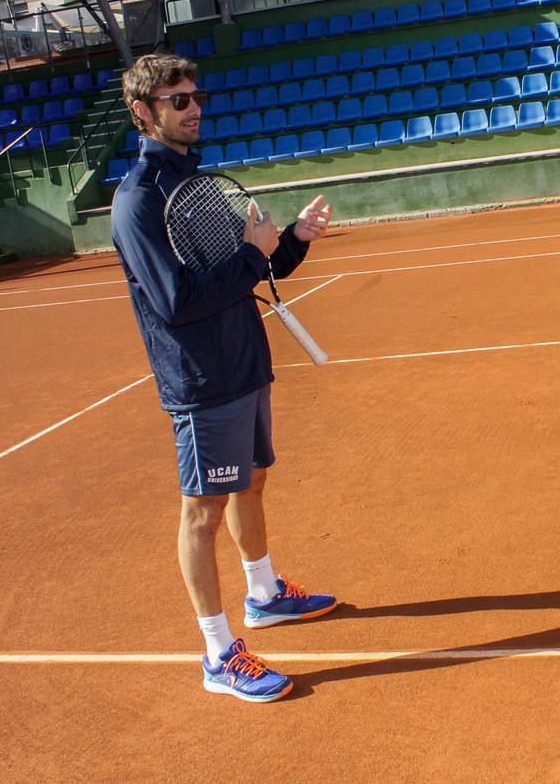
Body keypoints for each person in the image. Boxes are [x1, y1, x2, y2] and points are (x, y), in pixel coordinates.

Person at [110, 53, 338, 703]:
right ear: (143, 114)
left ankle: (264, 595)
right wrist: (252, 252)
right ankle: (217, 653)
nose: (193, 107)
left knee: (253, 481)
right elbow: (178, 301)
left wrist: (290, 240)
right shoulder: (138, 202)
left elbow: (245, 272)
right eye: (177, 100)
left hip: (243, 361)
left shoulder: (199, 185)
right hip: (201, 378)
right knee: (202, 510)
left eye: (195, 96)